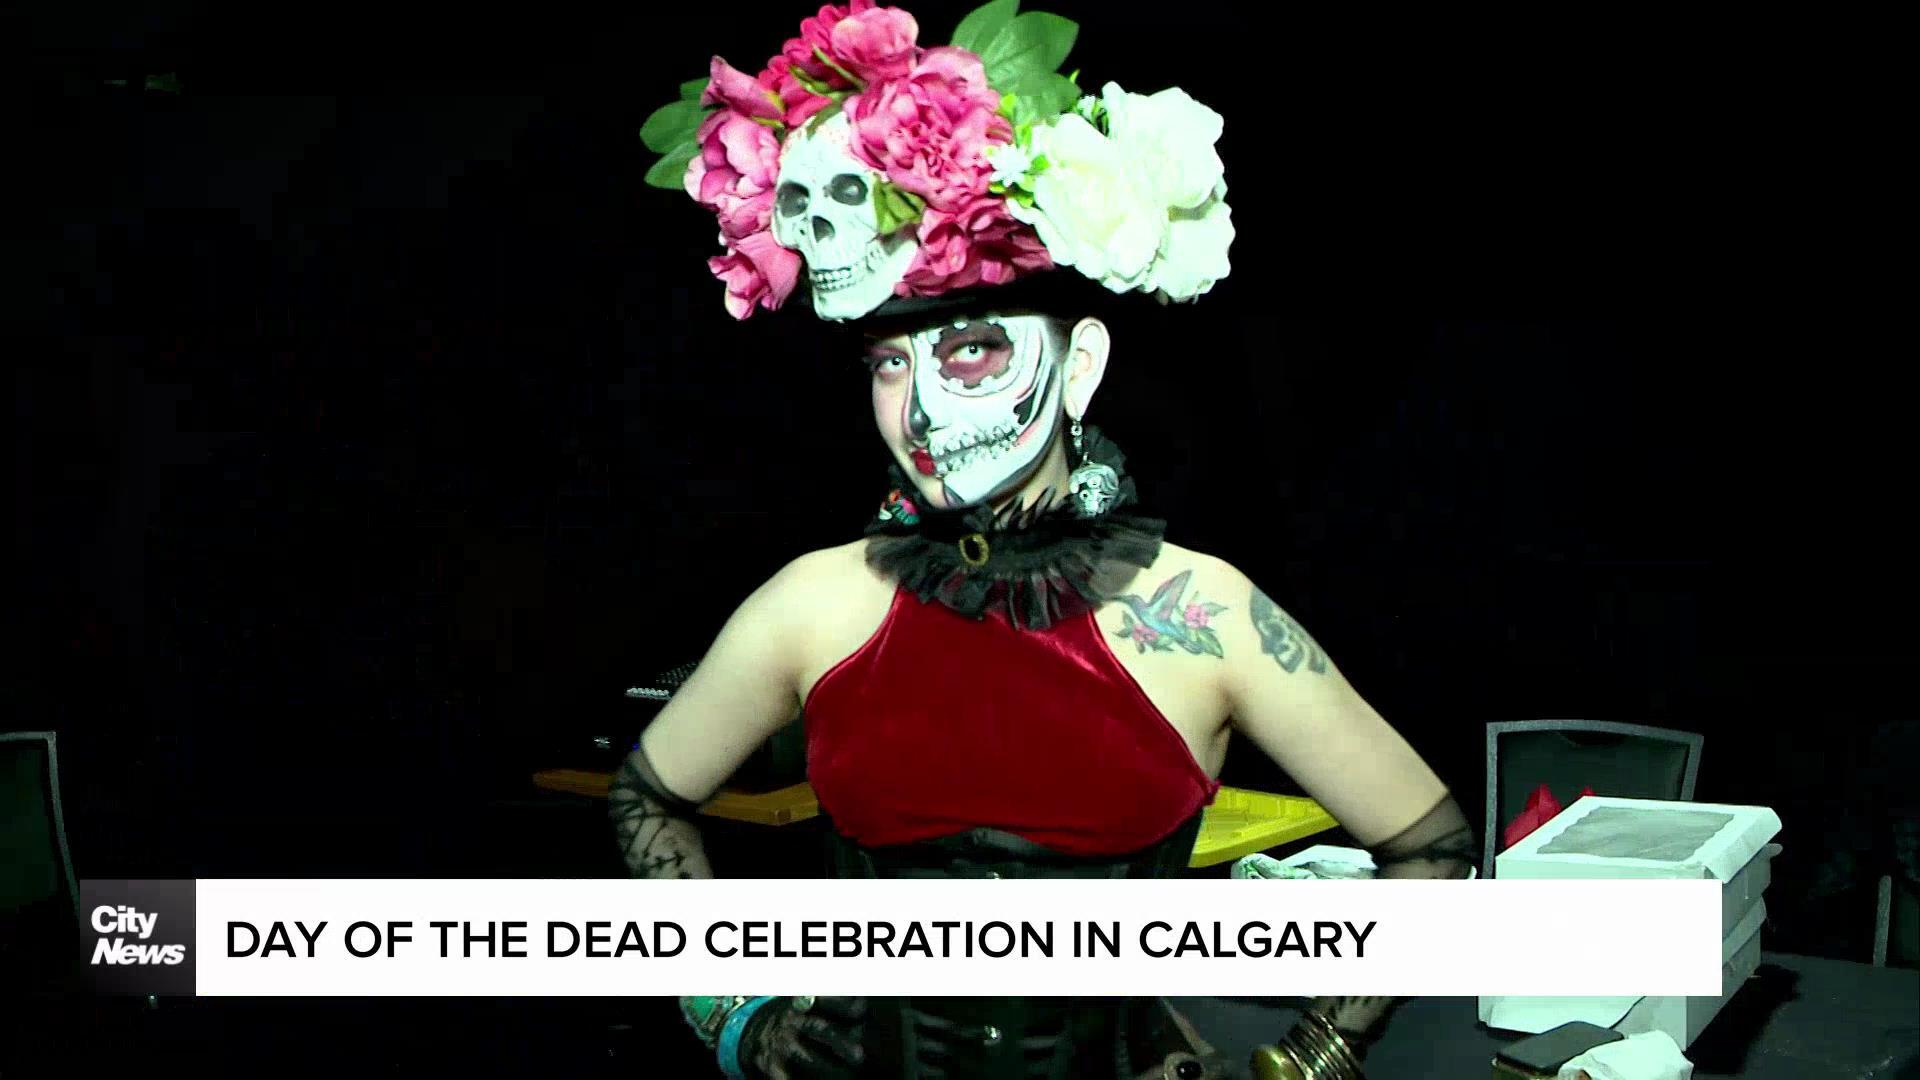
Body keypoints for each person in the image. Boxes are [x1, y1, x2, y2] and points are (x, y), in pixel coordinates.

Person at [613, 3, 1476, 1076]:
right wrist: (738, 1017)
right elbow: (647, 796)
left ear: (1076, 370)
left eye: (972, 352)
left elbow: (1432, 848)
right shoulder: (813, 605)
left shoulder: (1204, 615)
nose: (921, 411)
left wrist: (1311, 1058)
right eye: (890, 365)